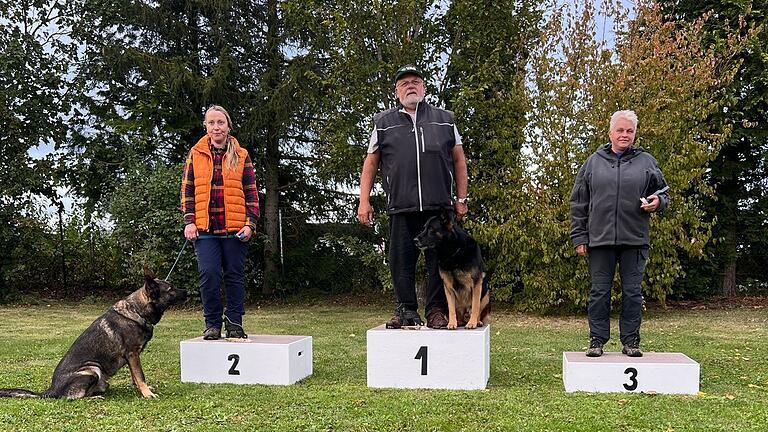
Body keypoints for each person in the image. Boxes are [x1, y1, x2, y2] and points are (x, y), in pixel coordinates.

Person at [357, 64, 469, 329]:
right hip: (400, 207)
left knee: (439, 263)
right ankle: (405, 309)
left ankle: (436, 310)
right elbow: (371, 164)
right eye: (404, 83)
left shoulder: (445, 119)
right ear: (396, 92)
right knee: (400, 261)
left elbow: (459, 161)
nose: (410, 86)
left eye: (415, 81)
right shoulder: (383, 123)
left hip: (439, 207)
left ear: (424, 88)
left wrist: (461, 199)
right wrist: (364, 199)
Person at [569, 110, 669, 357]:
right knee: (599, 292)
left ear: (635, 133)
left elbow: (663, 193)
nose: (625, 135)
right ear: (610, 132)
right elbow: (579, 202)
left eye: (630, 131)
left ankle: (631, 342)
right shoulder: (593, 161)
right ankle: (597, 341)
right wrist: (579, 237)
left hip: (635, 240)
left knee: (633, 292)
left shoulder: (647, 161)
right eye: (620, 130)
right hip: (599, 240)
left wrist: (658, 202)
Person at [180, 105, 259, 340]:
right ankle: (212, 324)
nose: (216, 127)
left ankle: (234, 323)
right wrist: (189, 221)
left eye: (220, 123)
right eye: (212, 123)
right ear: (206, 126)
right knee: (209, 273)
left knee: (234, 275)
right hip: (205, 229)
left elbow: (252, 193)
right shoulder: (195, 154)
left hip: (235, 229)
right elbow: (187, 190)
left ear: (228, 126)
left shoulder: (242, 155)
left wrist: (250, 223)